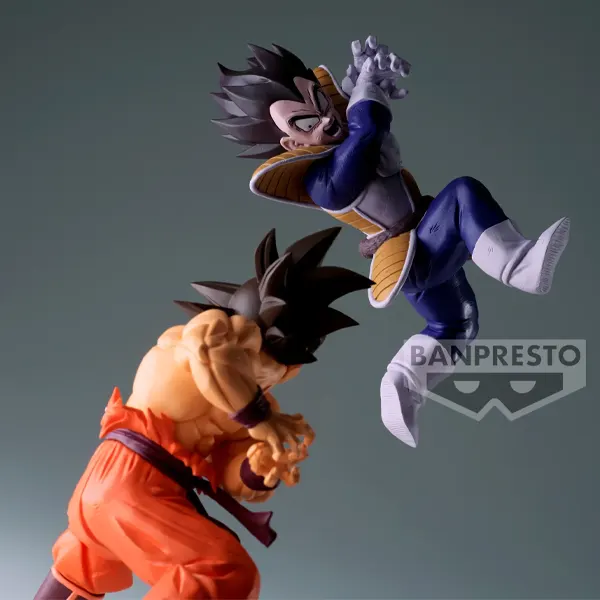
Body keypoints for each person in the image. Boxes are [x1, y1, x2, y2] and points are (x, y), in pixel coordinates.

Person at [212, 36, 571, 448]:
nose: (326, 119)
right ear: (292, 145)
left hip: (421, 247)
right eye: (307, 123)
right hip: (415, 251)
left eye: (321, 103)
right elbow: (366, 133)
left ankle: (401, 384)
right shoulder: (323, 182)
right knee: (462, 194)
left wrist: (364, 81)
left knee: (456, 324)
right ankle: (519, 266)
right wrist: (366, 86)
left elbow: (360, 127)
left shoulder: (340, 148)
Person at [34, 227, 372, 600]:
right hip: (131, 483)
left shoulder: (255, 403)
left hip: (123, 492)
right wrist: (261, 420)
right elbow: (212, 356)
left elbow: (230, 474)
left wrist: (259, 466)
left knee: (86, 563)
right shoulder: (201, 338)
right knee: (222, 572)